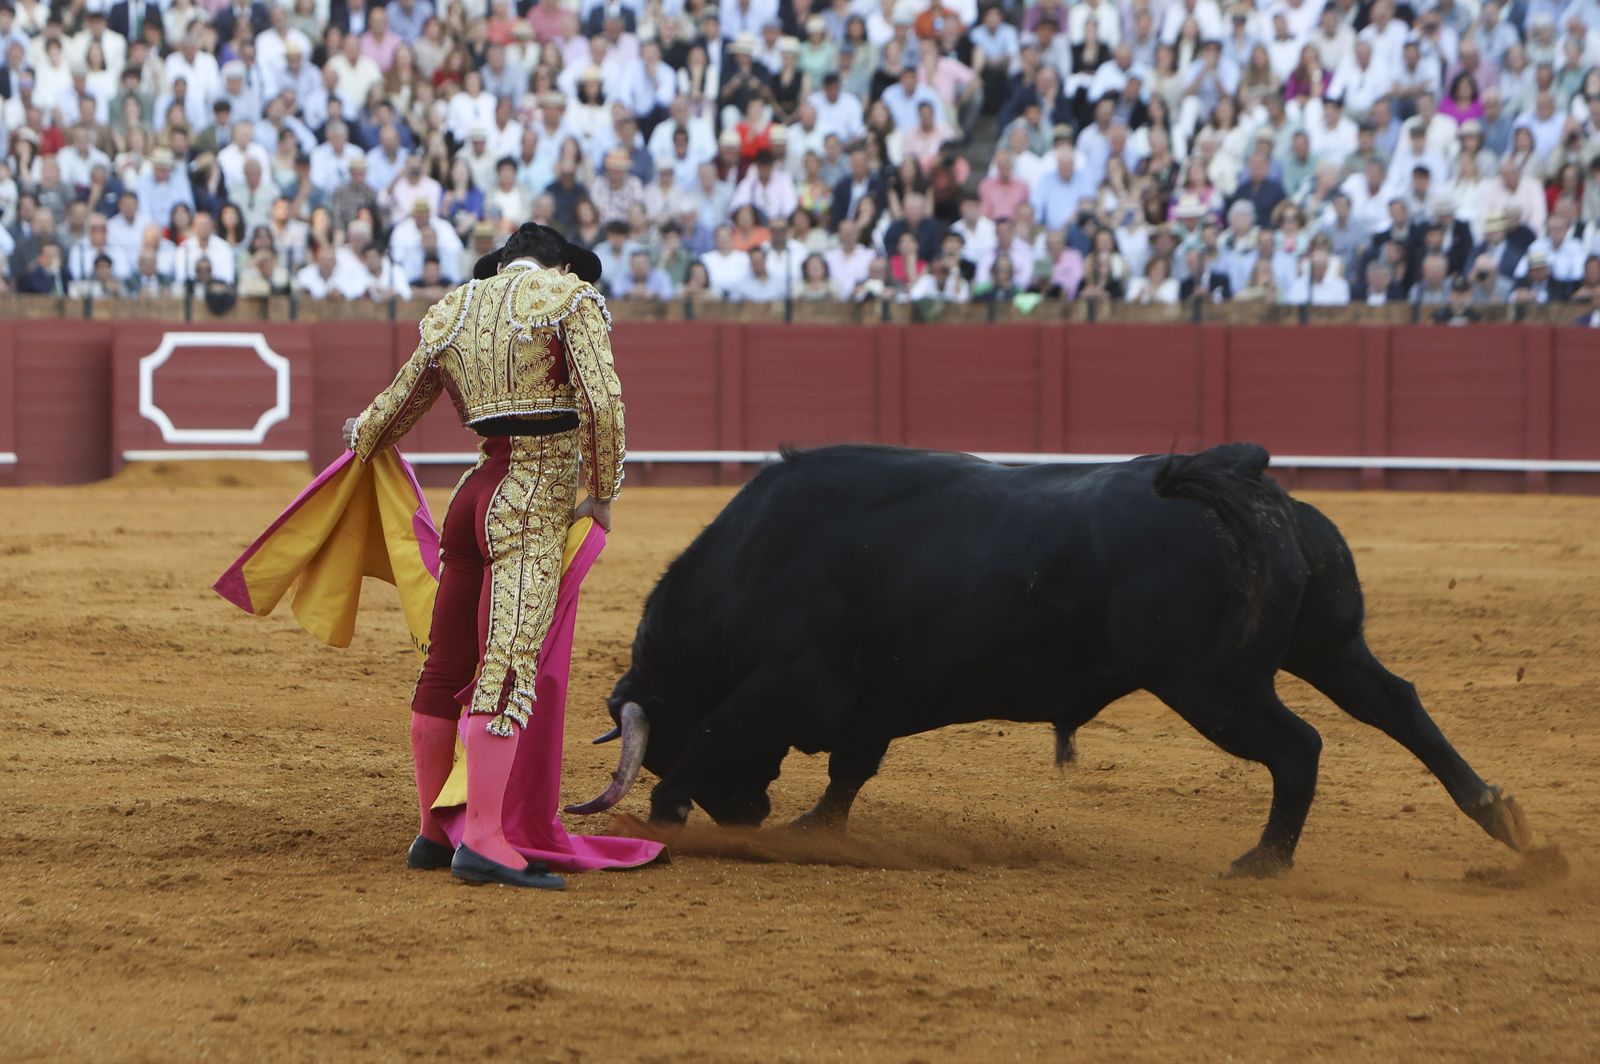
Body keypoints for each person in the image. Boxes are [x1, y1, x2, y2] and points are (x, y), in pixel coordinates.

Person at [341, 223, 626, 890]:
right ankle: (487, 840)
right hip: (528, 502)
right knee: (504, 666)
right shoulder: (568, 298)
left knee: (445, 665)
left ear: (501, 263)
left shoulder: (454, 308)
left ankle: (432, 834)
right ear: (557, 264)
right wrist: (602, 489)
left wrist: (362, 437)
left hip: (470, 501)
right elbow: (605, 405)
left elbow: (395, 409)